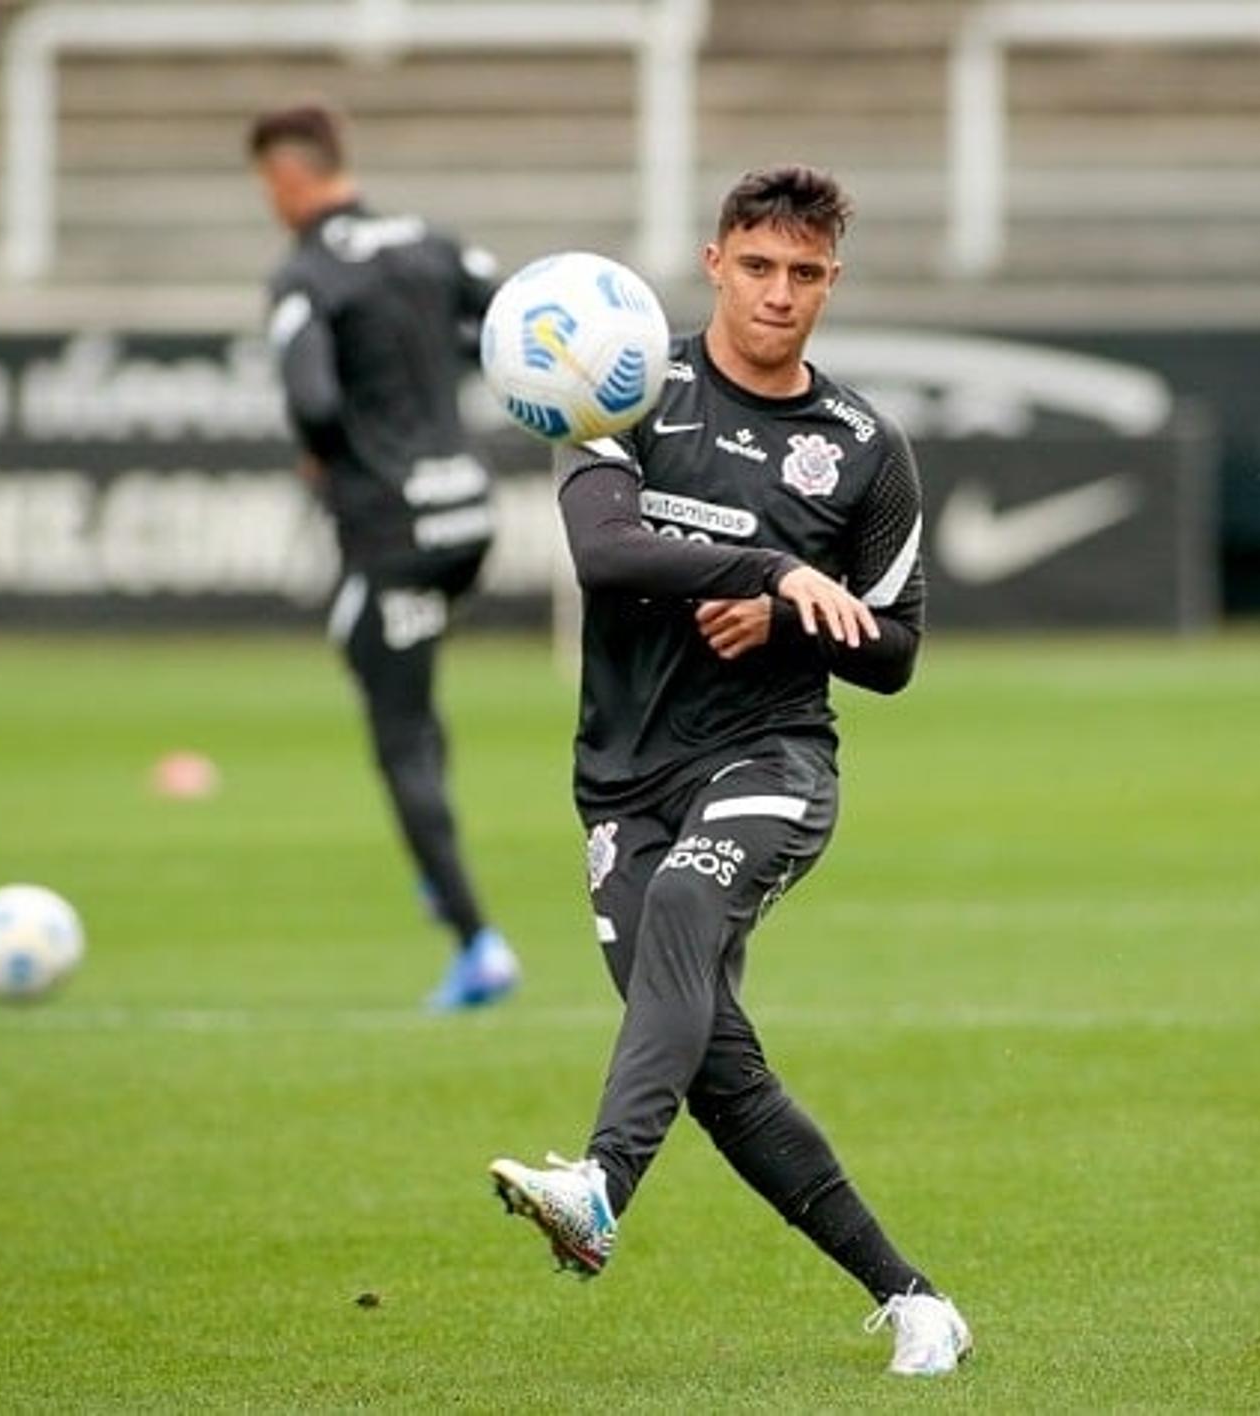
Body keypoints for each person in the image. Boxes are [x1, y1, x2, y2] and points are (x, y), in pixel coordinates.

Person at [487, 166, 971, 1376]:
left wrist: (797, 623)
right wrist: (767, 575)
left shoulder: (864, 450)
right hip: (622, 781)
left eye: (805, 275)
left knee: (693, 905)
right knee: (714, 1067)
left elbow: (898, 651)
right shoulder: (632, 386)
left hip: (771, 758)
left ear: (832, 283)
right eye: (758, 268)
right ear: (715, 265)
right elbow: (602, 552)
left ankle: (598, 1187)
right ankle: (913, 1299)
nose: (779, 295)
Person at [249, 101, 518, 1011]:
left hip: (394, 533)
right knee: (407, 679)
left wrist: (328, 453)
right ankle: (436, 860)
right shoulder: (432, 244)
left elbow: (314, 400)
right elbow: (512, 317)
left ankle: (476, 941)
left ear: (288, 179)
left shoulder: (306, 276)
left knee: (394, 723)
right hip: (469, 518)